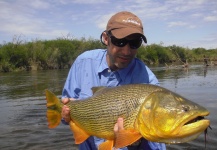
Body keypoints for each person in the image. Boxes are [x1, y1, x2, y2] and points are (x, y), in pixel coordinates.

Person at [61, 11, 166, 150]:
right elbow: (64, 111)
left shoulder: (149, 84)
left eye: (134, 43)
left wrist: (134, 141)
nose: (127, 51)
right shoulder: (83, 63)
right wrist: (66, 115)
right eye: (120, 42)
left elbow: (157, 144)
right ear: (106, 38)